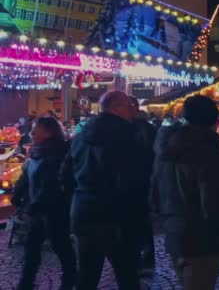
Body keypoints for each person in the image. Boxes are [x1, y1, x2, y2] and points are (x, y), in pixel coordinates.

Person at [151, 95, 219, 289]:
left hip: (174, 231)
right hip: (201, 236)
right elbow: (213, 201)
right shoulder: (207, 150)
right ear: (212, 120)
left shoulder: (166, 145)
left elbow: (155, 189)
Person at [62, 91, 142, 289]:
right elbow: (132, 178)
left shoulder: (81, 136)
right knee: (128, 275)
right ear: (115, 108)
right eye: (128, 105)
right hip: (117, 216)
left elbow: (65, 175)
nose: (133, 109)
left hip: (84, 211)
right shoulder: (126, 135)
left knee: (87, 276)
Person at [12, 117, 76, 290]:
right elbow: (27, 176)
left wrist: (34, 204)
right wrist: (17, 195)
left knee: (61, 246)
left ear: (48, 132)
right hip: (38, 209)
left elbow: (51, 185)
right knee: (32, 248)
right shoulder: (36, 151)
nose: (31, 133)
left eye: (35, 129)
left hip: (54, 210)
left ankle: (69, 282)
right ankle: (26, 283)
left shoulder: (57, 153)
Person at [128, 96, 157, 272]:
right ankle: (144, 257)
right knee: (142, 222)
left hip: (139, 181)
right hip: (142, 181)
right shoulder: (147, 128)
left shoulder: (139, 129)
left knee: (139, 222)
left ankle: (141, 259)